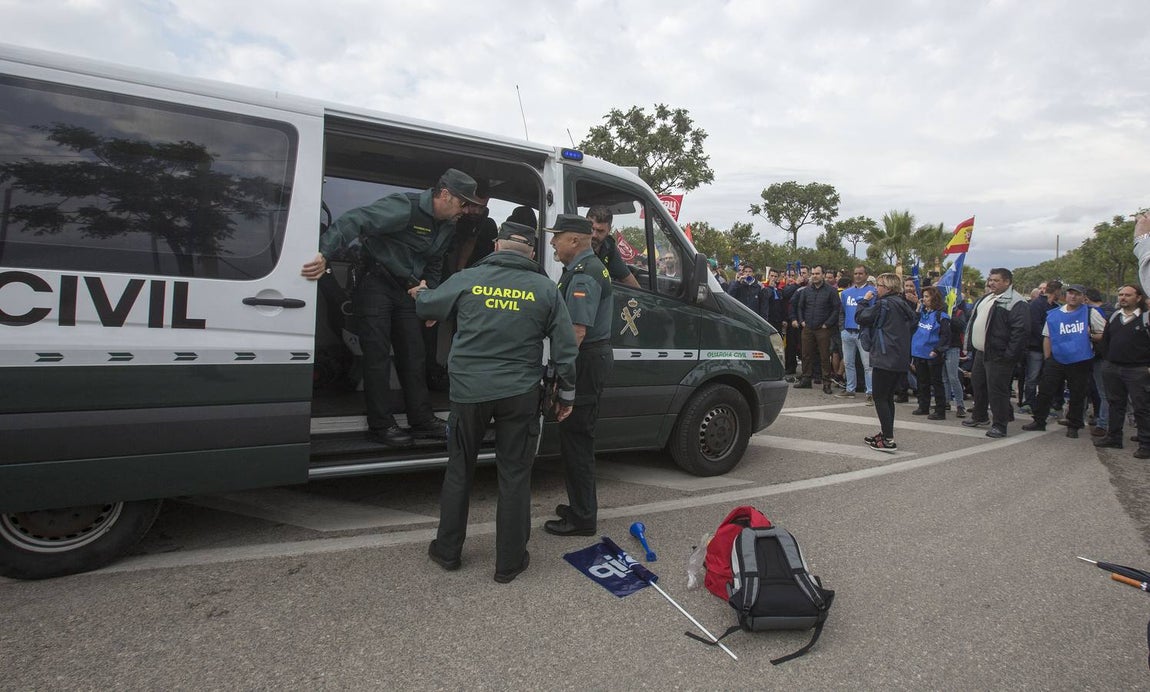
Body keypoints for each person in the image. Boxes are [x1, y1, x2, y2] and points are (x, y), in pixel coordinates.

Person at [414, 222, 578, 582]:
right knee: (515, 476)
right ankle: (509, 562)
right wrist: (566, 394)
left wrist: (421, 292)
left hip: (468, 392)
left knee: (459, 469)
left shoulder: (468, 278)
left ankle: (447, 551)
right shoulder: (545, 289)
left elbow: (428, 305)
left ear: (496, 244)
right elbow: (566, 349)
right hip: (519, 395)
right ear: (533, 253)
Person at [301, 168, 482, 446]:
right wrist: (325, 253)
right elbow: (355, 220)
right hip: (377, 283)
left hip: (407, 291)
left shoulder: (447, 225)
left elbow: (434, 263)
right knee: (377, 356)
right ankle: (381, 425)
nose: (467, 210)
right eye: (463, 203)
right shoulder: (404, 207)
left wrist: (430, 299)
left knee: (414, 354)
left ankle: (421, 421)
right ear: (445, 195)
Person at [544, 214, 614, 536]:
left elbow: (576, 334)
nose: (552, 243)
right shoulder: (583, 268)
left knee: (577, 443)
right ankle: (578, 507)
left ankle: (583, 517)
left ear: (573, 240)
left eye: (556, 236)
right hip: (587, 360)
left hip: (584, 362)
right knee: (575, 440)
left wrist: (563, 379)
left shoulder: (584, 275)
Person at [1021, 284, 1105, 437]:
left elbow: (1104, 333)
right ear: (1065, 296)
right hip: (1057, 358)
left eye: (1077, 294)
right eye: (1071, 294)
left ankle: (1074, 425)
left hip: (1080, 359)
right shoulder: (1054, 314)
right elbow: (1047, 337)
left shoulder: (1089, 313)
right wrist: (1048, 358)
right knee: (1045, 391)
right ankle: (1039, 420)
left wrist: (1090, 335)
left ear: (1083, 298)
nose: (1073, 297)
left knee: (1078, 394)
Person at [961, 268, 1029, 438]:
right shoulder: (987, 297)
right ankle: (980, 415)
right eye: (990, 280)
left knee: (997, 390)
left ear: (1007, 282)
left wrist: (1009, 355)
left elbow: (1020, 332)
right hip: (981, 351)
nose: (991, 283)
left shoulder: (1016, 302)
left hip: (999, 354)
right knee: (979, 384)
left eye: (996, 280)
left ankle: (1000, 424)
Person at [855, 273, 917, 452]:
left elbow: (861, 317)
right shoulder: (903, 304)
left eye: (879, 285)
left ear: (888, 287)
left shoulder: (884, 304)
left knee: (880, 398)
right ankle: (886, 433)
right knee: (888, 398)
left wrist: (864, 301)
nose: (876, 288)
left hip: (885, 356)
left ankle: (888, 439)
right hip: (899, 357)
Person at [1095, 283, 1150, 458]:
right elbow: (1106, 340)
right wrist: (1107, 360)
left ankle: (1146, 443)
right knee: (1115, 404)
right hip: (1113, 367)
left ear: (1138, 298)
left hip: (1137, 370)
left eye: (1128, 295)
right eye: (1121, 295)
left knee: (1141, 407)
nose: (1123, 298)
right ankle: (1114, 437)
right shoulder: (1114, 317)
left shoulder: (1145, 318)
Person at [792, 265, 841, 394]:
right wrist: (802, 321)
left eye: (817, 273)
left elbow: (836, 309)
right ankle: (806, 379)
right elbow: (800, 307)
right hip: (807, 327)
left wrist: (827, 324)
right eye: (813, 273)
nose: (814, 275)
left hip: (823, 329)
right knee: (806, 354)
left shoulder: (831, 291)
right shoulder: (806, 290)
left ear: (823, 275)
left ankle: (826, 383)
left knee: (824, 356)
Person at [910, 286, 952, 419]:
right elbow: (911, 327)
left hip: (932, 353)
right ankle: (923, 406)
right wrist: (917, 311)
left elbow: (946, 335)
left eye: (927, 297)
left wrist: (937, 350)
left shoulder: (941, 315)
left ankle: (940, 410)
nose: (924, 299)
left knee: (936, 382)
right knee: (922, 382)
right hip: (918, 351)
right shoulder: (922, 312)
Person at [1021, 280, 1062, 414]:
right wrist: (1047, 339)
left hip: (1050, 347)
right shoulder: (1037, 304)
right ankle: (1029, 402)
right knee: (1032, 376)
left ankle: (1044, 403)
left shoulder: (1056, 306)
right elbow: (1034, 325)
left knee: (1047, 378)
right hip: (1036, 347)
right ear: (1056, 291)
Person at [836, 265, 873, 402]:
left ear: (866, 275)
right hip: (847, 332)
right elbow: (842, 312)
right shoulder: (846, 293)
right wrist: (842, 328)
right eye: (856, 273)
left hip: (863, 333)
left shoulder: (872, 292)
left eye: (861, 273)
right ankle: (850, 389)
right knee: (848, 363)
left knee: (867, 365)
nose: (858, 276)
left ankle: (870, 392)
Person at [587, 205, 641, 289]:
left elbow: (627, 279)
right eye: (591, 229)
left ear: (609, 230)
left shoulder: (608, 247)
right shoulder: (574, 242)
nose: (594, 235)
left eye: (600, 231)